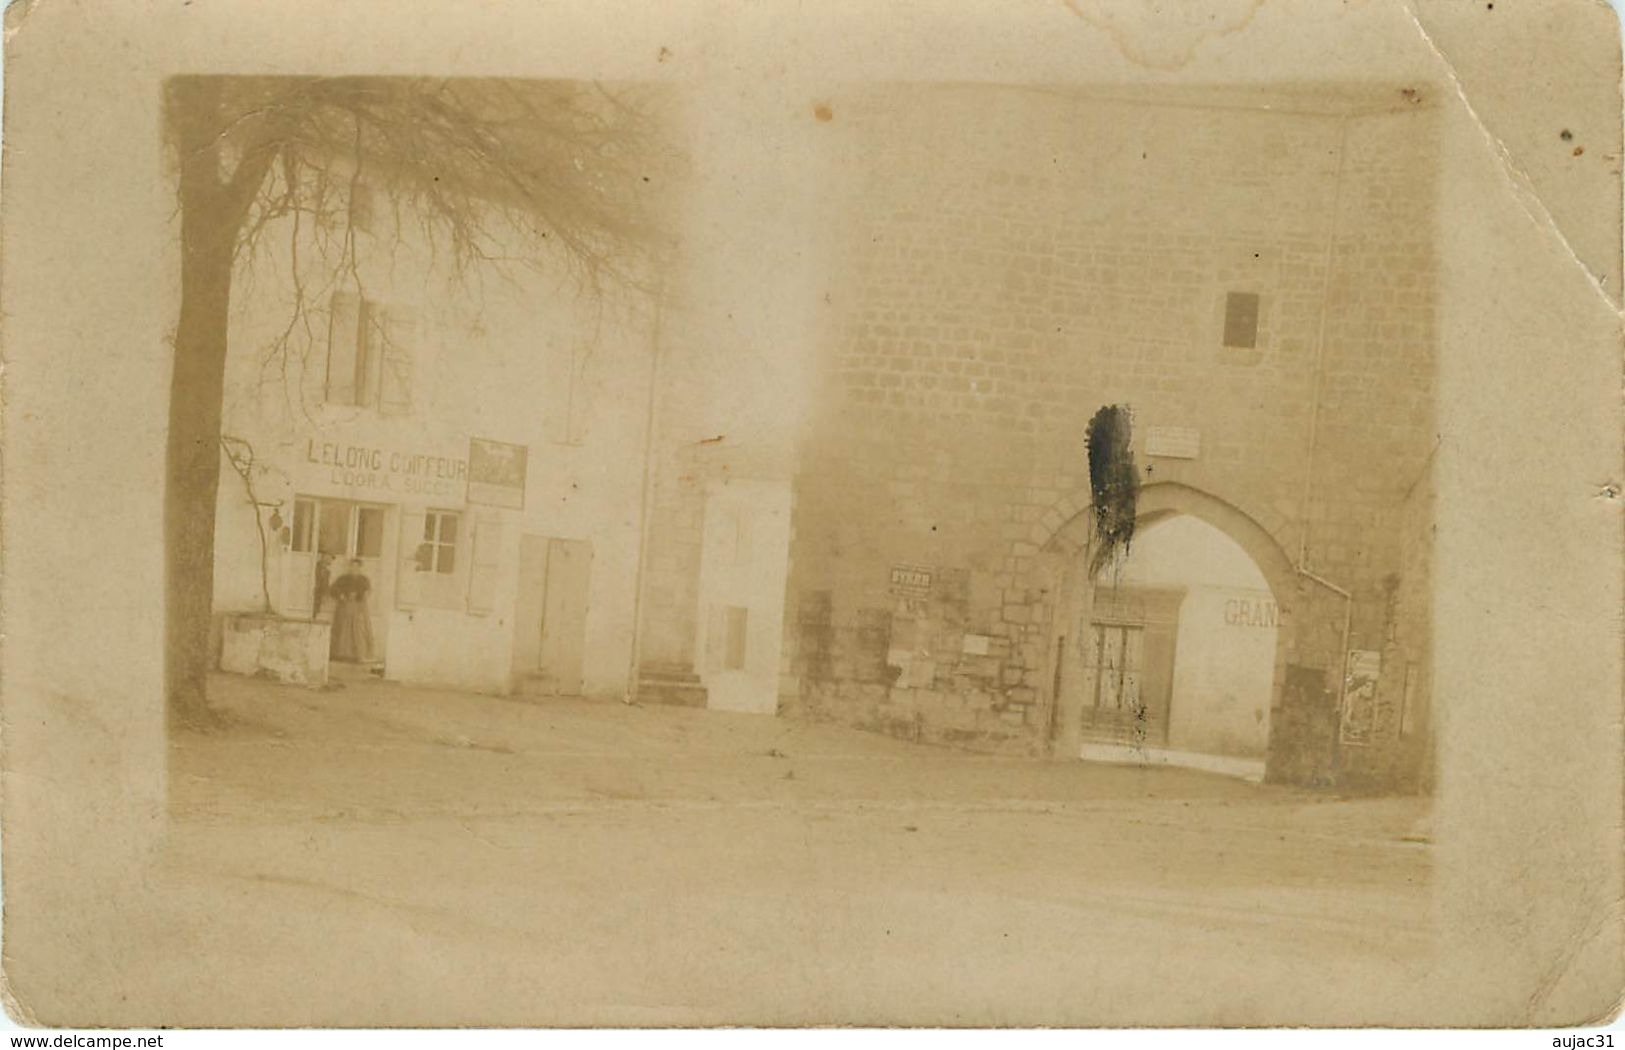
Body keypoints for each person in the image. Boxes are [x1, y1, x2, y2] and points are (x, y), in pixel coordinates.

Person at [328, 558, 376, 664]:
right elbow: (333, 589)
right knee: (343, 629)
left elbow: (368, 591)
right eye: (352, 566)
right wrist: (341, 595)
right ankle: (341, 654)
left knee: (359, 629)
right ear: (349, 567)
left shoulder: (364, 579)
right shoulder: (343, 579)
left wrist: (364, 595)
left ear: (360, 568)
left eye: (356, 567)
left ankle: (358, 654)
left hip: (359, 606)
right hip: (345, 606)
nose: (354, 569)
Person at [312, 554, 335, 622]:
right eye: (329, 558)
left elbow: (325, 585)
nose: (330, 560)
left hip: (319, 594)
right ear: (323, 558)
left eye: (331, 558)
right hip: (313, 591)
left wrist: (325, 594)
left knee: (316, 609)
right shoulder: (314, 567)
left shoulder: (327, 572)